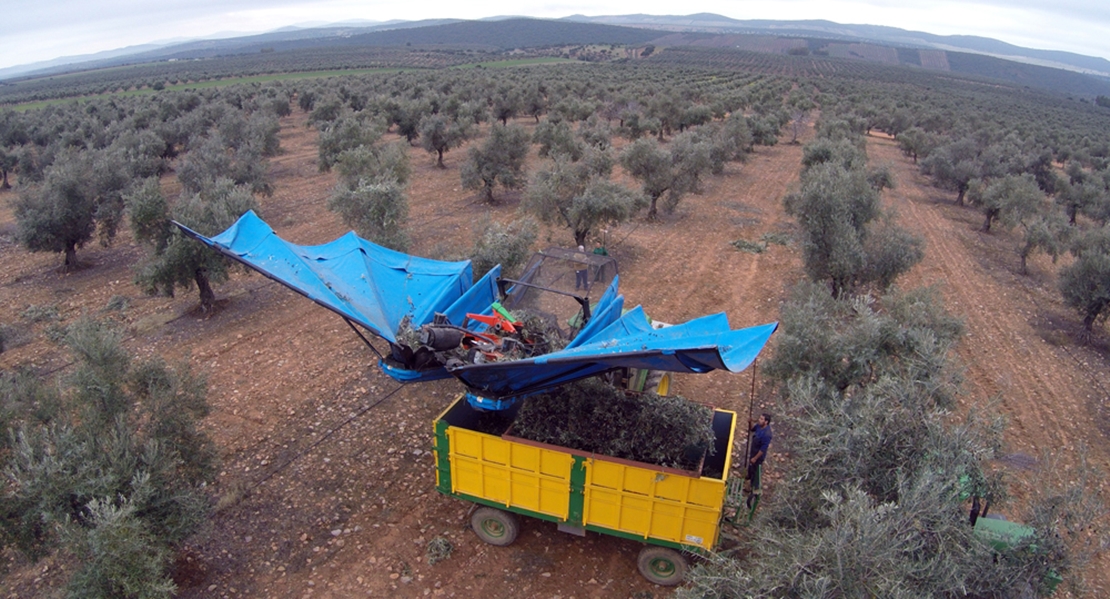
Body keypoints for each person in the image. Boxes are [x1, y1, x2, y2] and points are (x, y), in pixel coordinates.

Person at [747, 413, 772, 508]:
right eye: (760, 418)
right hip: (753, 452)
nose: (759, 420)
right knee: (750, 467)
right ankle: (749, 477)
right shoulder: (758, 426)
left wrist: (755, 458)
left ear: (766, 422)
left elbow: (763, 449)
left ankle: (754, 489)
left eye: (761, 419)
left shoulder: (767, 434)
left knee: (755, 471)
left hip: (758, 456)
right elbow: (751, 429)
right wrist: (750, 423)